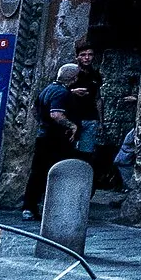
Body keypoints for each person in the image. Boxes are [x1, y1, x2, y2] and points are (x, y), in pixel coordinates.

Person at [28, 47, 103, 206]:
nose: (87, 58)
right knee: (59, 166)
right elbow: (56, 114)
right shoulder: (62, 92)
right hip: (57, 136)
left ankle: (31, 205)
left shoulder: (49, 88)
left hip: (45, 133)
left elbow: (35, 109)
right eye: (83, 55)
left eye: (90, 54)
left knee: (39, 169)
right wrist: (71, 125)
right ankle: (58, 201)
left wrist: (43, 122)